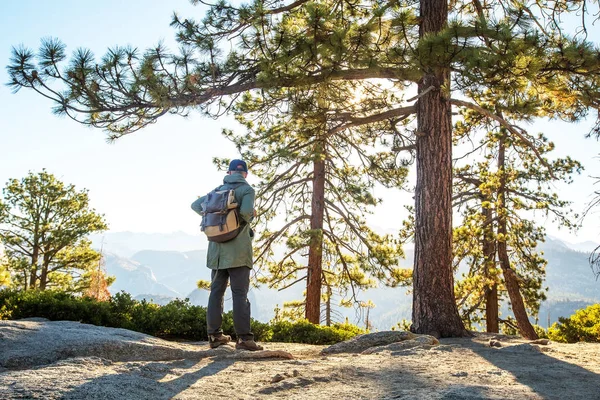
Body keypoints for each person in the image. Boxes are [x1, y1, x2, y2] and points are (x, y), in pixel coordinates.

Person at [191, 159, 263, 351]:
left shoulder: (216, 191)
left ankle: (214, 336)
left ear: (229, 173)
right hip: (238, 251)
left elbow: (196, 205)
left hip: (216, 251)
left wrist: (217, 218)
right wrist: (248, 216)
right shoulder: (247, 190)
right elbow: (247, 212)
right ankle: (244, 339)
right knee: (240, 294)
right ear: (245, 174)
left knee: (216, 292)